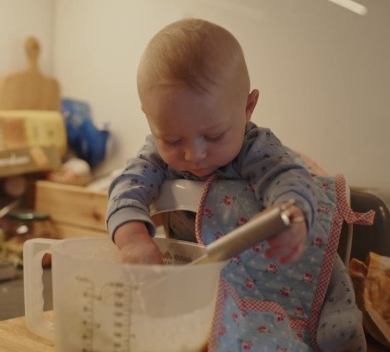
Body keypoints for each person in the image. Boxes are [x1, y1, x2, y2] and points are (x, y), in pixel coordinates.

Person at [106, 18, 317, 264]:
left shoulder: (256, 147)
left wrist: (289, 214)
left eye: (213, 136)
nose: (194, 155)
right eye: (173, 140)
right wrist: (132, 238)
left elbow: (289, 178)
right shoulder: (154, 155)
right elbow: (125, 188)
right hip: (190, 269)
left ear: (248, 108)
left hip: (253, 267)